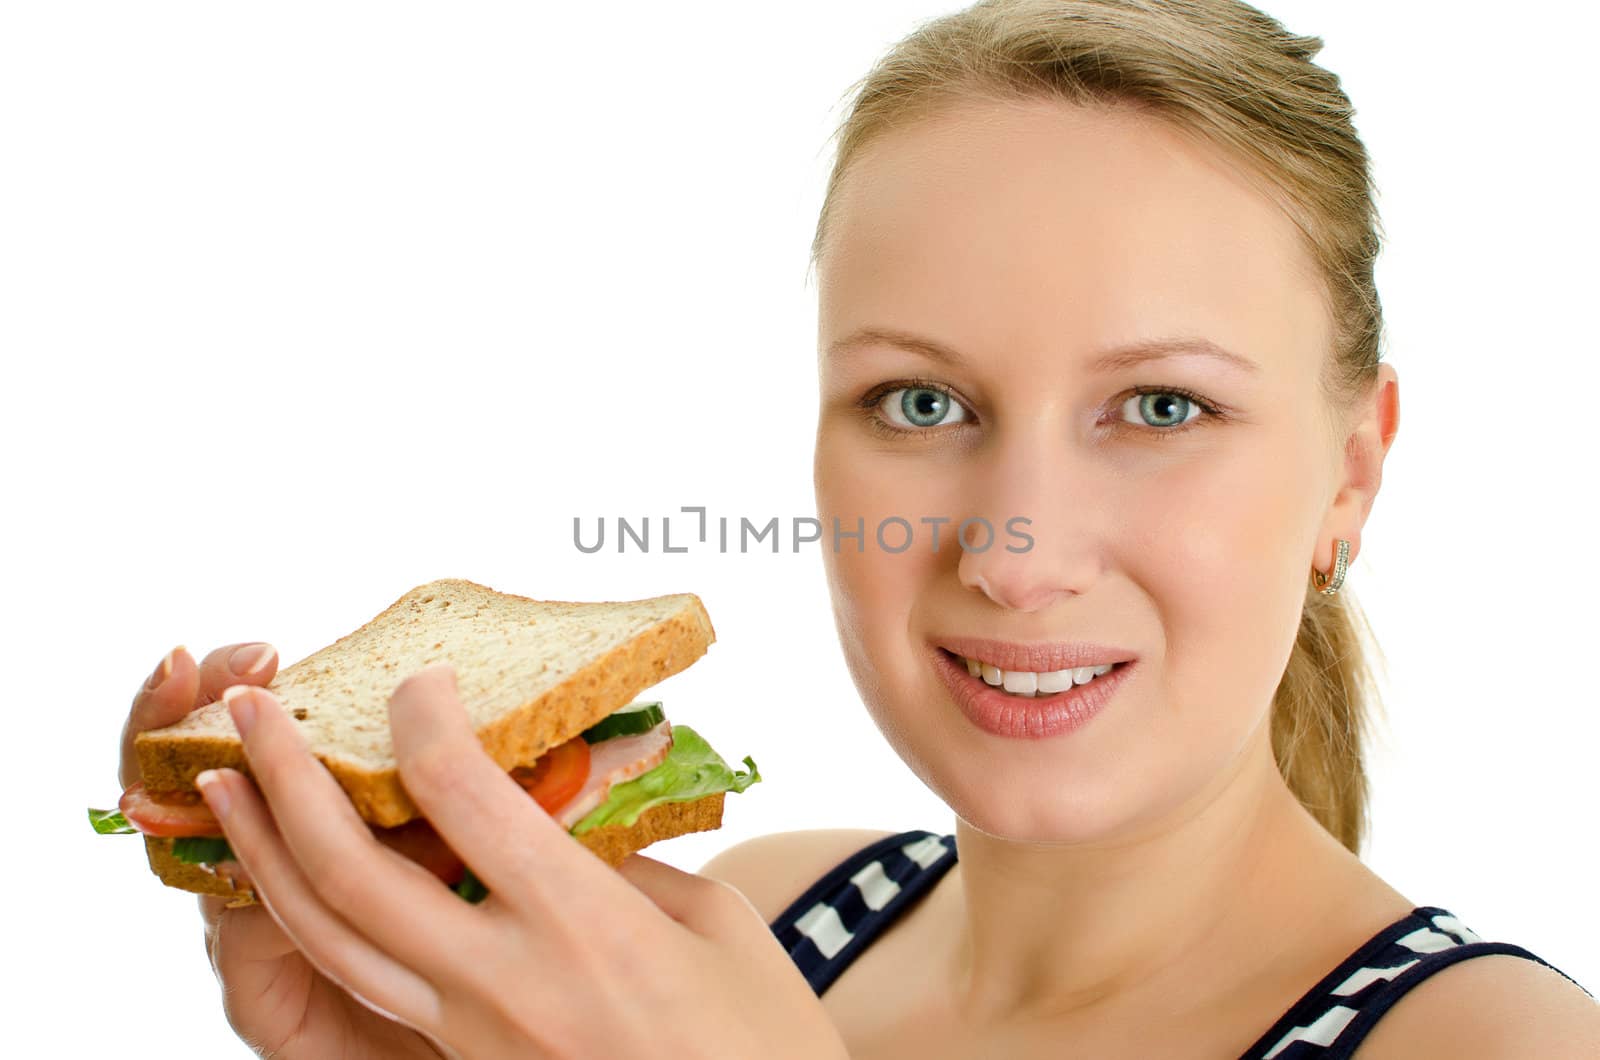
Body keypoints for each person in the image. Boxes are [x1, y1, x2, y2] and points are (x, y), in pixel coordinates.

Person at [114, 1, 1598, 1056]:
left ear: (1350, 471)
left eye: (1159, 410)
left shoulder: (1492, 1046)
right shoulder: (751, 921)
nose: (1016, 556)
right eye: (919, 405)